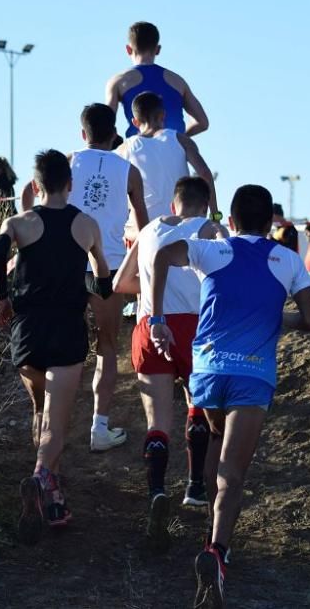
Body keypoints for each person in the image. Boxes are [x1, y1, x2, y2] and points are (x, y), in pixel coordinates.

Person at [149, 184, 310, 607]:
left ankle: (213, 534)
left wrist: (157, 318)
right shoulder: (288, 260)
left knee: (215, 453)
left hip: (206, 372)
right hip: (252, 375)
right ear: (270, 223)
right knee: (233, 474)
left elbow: (159, 256)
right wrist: (272, 320)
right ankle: (218, 552)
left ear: (232, 220)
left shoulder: (213, 249)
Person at [0, 149, 112, 545]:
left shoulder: (19, 222)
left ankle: (53, 496)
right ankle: (42, 478)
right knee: (56, 425)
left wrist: (2, 298)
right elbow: (102, 280)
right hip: (65, 329)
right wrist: (92, 290)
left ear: (36, 185)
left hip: (27, 329)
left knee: (40, 412)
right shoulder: (87, 225)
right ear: (70, 184)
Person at [113, 176, 224, 549]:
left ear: (173, 205)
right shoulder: (211, 229)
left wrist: (153, 286)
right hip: (197, 325)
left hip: (149, 325)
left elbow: (119, 284)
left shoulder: (148, 230)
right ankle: (195, 487)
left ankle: (157, 491)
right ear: (205, 205)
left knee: (157, 421)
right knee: (199, 406)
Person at [70, 103, 148, 451]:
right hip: (111, 267)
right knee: (106, 348)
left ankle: (54, 421)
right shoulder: (129, 171)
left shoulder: (67, 161)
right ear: (115, 133)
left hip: (69, 265)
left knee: (65, 347)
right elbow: (144, 227)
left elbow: (33, 195)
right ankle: (98, 427)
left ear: (83, 133)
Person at [116, 91, 220, 223]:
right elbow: (204, 173)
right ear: (163, 115)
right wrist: (215, 215)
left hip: (145, 228)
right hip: (181, 224)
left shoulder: (124, 149)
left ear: (135, 122)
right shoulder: (181, 140)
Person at [105, 22, 210, 139]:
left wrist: (121, 145)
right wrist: (178, 138)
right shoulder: (177, 81)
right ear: (158, 49)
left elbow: (105, 125)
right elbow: (203, 122)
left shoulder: (119, 81)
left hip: (139, 151)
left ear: (128, 49)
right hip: (174, 152)